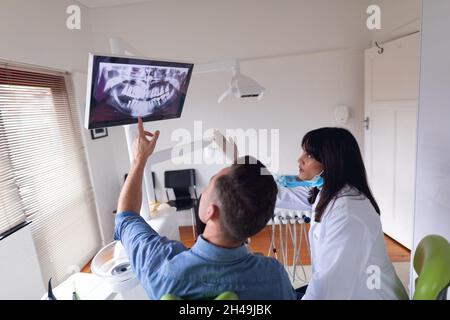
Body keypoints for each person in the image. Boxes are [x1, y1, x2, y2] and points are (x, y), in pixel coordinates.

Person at [114, 118, 297, 300]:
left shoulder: (160, 267)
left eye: (210, 182)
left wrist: (140, 159)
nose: (203, 190)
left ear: (211, 211)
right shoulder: (274, 278)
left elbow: (126, 217)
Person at [276, 127, 409, 300]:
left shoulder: (347, 212)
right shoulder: (328, 191)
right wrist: (241, 170)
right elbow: (281, 194)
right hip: (345, 286)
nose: (299, 159)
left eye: (309, 155)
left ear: (330, 162)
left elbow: (329, 286)